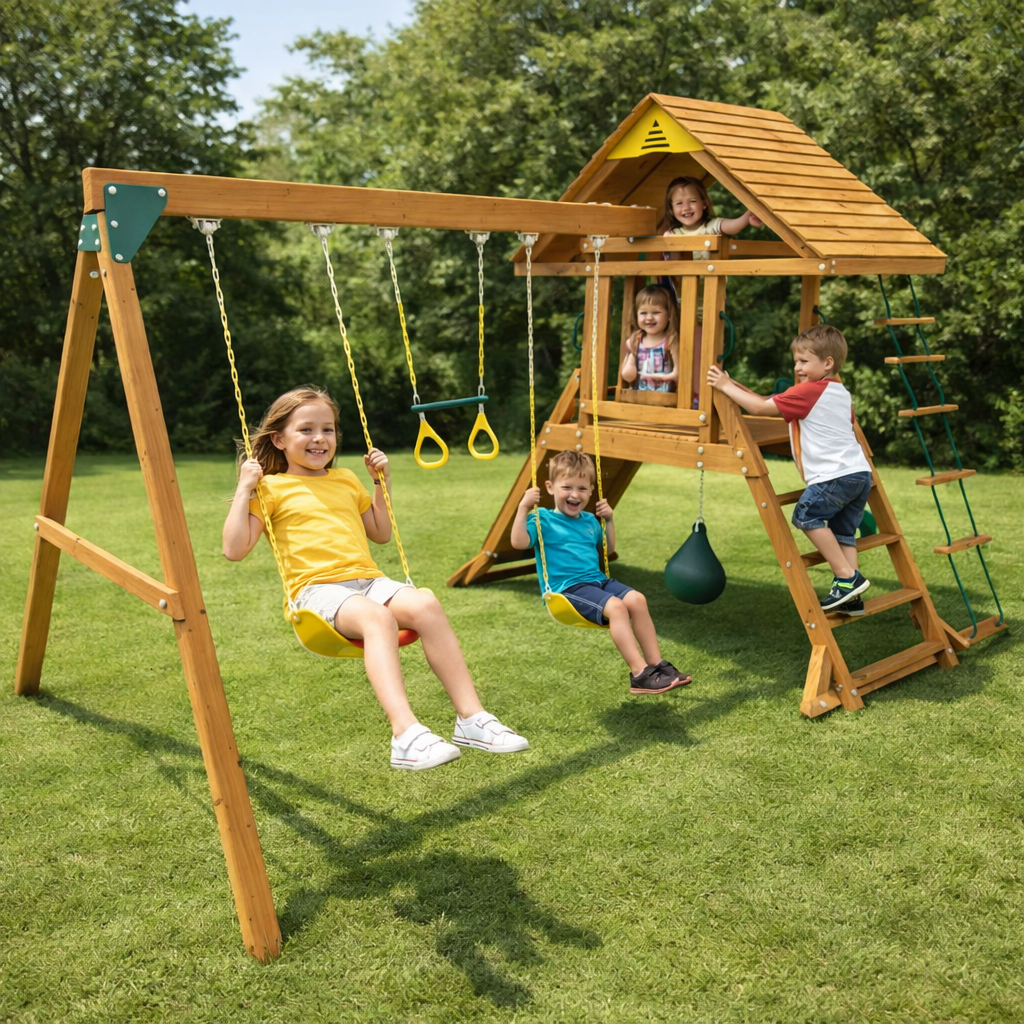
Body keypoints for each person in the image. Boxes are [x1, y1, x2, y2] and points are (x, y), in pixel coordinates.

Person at [222, 385, 529, 771]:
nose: (319, 438)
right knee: (377, 617)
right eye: (306, 430)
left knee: (426, 602)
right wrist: (244, 488)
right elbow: (234, 549)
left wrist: (380, 483)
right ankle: (405, 733)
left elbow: (380, 533)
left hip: (367, 580)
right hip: (316, 591)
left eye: (328, 429)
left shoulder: (346, 479)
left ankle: (472, 719)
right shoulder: (269, 487)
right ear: (278, 439)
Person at [707, 324, 873, 614]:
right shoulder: (840, 392)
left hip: (833, 475)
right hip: (859, 473)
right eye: (796, 360)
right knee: (844, 533)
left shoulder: (810, 391)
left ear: (828, 363)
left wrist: (723, 386)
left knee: (806, 515)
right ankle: (852, 597)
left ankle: (848, 578)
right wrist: (734, 385)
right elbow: (763, 400)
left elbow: (759, 408)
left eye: (804, 361)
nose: (797, 367)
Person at [510, 450, 691, 695]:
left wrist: (610, 521)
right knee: (616, 607)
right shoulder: (542, 519)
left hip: (598, 581)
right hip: (567, 589)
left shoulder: (589, 521)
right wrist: (523, 508)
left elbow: (609, 550)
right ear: (550, 487)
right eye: (567, 487)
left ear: (591, 490)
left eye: (582, 489)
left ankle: (657, 665)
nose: (575, 494)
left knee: (637, 600)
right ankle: (639, 674)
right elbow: (519, 542)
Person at [659, 176, 763, 408]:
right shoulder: (673, 235)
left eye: (692, 201)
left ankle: (701, 397)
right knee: (682, 351)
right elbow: (674, 267)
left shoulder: (711, 227)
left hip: (710, 306)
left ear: (704, 203)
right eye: (679, 203)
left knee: (706, 352)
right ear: (671, 209)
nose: (686, 207)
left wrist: (747, 217)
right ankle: (685, 394)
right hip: (682, 307)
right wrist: (669, 244)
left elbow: (732, 225)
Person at [620, 284, 679, 393]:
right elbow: (628, 376)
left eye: (656, 312)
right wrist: (631, 353)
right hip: (641, 398)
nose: (649, 318)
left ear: (669, 315)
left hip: (666, 400)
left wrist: (661, 378)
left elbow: (678, 373)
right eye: (643, 313)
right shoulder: (636, 340)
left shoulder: (671, 340)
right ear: (636, 315)